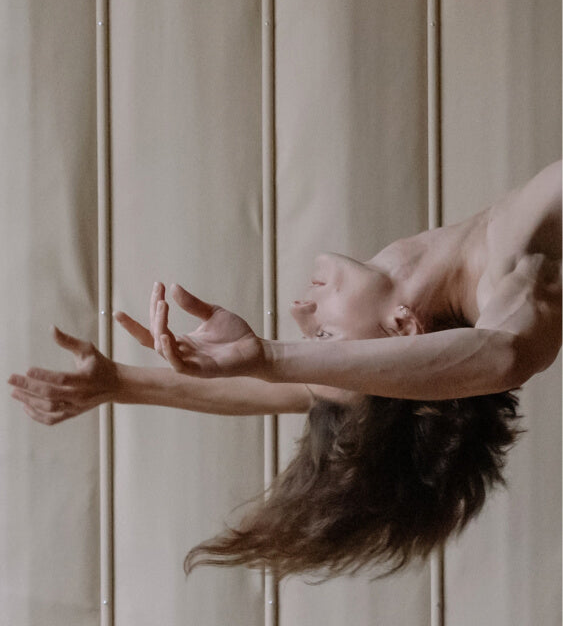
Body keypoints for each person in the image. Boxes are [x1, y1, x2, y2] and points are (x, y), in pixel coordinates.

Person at [9, 161, 561, 578]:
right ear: (404, 331)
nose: (299, 310)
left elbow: (318, 387)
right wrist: (270, 358)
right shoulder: (524, 265)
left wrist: (123, 383)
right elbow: (500, 358)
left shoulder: (494, 255)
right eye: (325, 340)